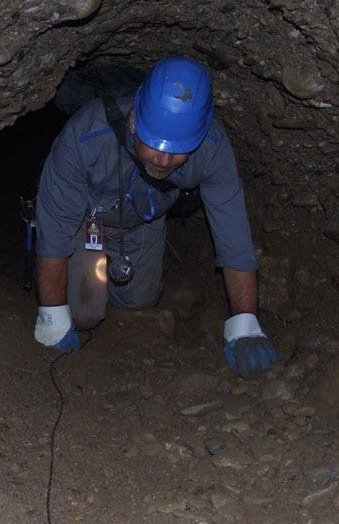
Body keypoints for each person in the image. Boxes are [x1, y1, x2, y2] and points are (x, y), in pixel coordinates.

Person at [32, 56, 278, 377]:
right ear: (134, 121)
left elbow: (235, 239)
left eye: (178, 150)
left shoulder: (212, 150)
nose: (163, 160)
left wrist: (246, 324)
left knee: (138, 301)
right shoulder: (86, 135)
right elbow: (55, 231)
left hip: (142, 220)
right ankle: (84, 281)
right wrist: (52, 316)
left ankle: (110, 275)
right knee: (84, 313)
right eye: (154, 144)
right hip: (86, 221)